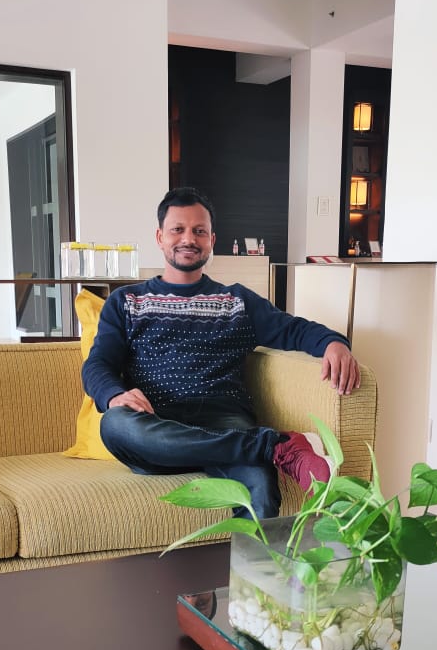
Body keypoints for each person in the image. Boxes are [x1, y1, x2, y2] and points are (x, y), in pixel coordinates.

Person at [82, 187, 360, 518]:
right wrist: (114, 395)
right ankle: (273, 445)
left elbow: (294, 329)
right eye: (178, 229)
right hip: (156, 426)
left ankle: (257, 555)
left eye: (199, 231)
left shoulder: (237, 301)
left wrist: (333, 343)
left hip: (224, 420)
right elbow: (98, 364)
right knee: (115, 424)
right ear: (160, 237)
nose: (189, 239)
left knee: (260, 493)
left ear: (212, 240)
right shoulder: (127, 301)